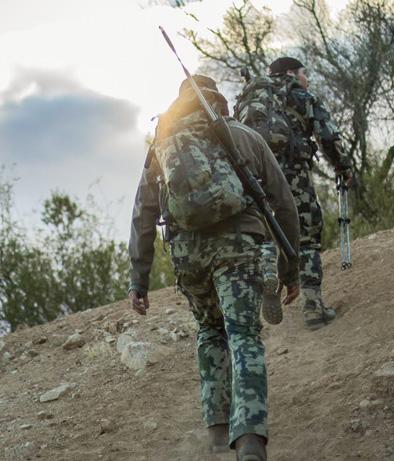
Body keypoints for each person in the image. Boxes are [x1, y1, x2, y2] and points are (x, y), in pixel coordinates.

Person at [127, 75, 300, 460]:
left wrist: (138, 279)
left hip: (190, 256)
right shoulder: (242, 136)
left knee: (210, 331)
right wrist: (292, 267)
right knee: (243, 335)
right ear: (218, 99)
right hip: (240, 247)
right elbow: (284, 202)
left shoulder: (163, 145)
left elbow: (143, 214)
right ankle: (251, 439)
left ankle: (218, 432)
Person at [235, 56, 352, 331]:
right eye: (303, 72)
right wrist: (342, 166)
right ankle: (313, 306)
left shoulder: (253, 96)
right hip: (293, 173)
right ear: (290, 73)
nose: (306, 78)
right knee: (307, 233)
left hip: (256, 175)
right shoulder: (299, 94)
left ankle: (267, 273)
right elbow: (326, 134)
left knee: (265, 230)